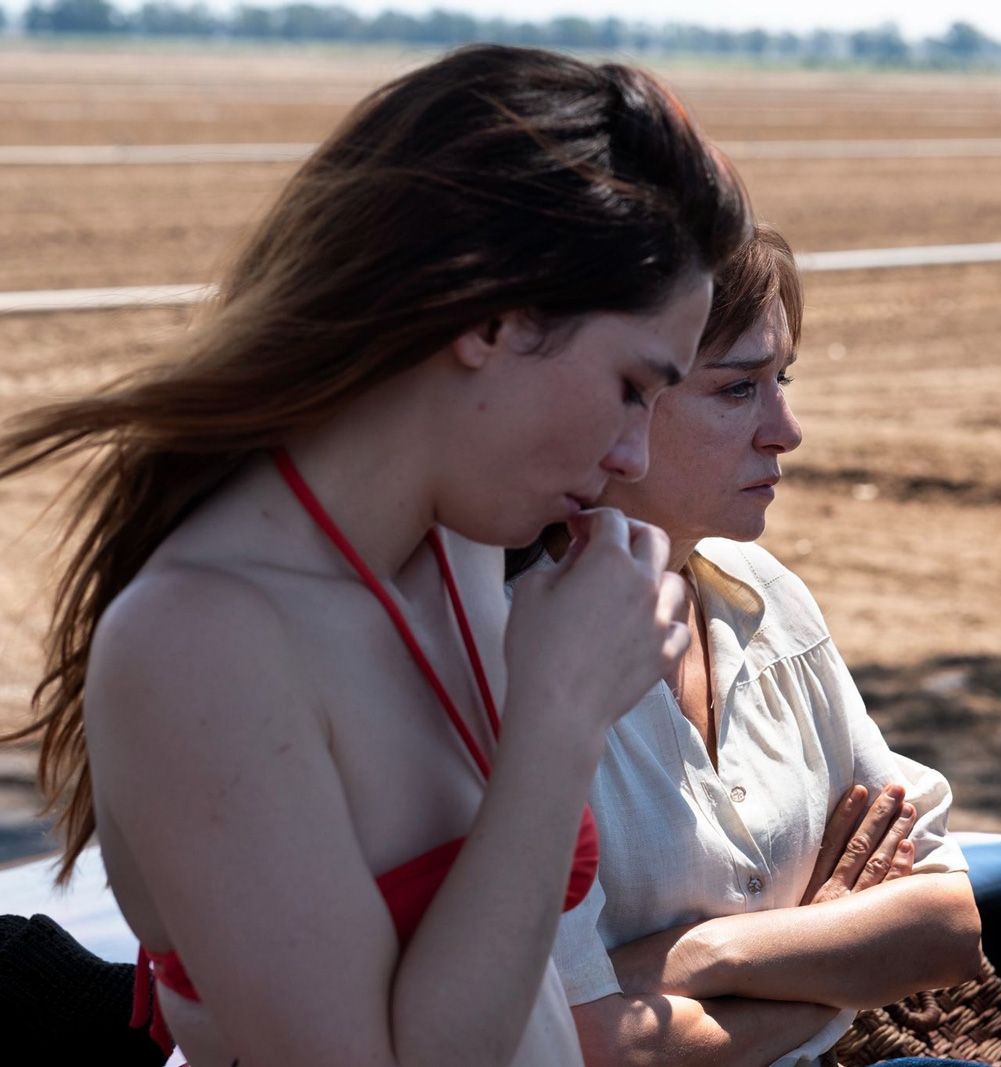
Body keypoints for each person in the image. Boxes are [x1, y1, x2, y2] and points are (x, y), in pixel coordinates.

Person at [0, 44, 749, 1067]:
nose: (635, 455)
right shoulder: (201, 637)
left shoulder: (460, 547)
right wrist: (559, 718)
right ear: (493, 317)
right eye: (631, 386)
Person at [516, 225, 983, 1065]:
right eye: (737, 388)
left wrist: (707, 954)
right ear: (611, 400)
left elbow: (945, 924)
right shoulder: (508, 654)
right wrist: (828, 952)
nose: (785, 429)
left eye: (782, 380)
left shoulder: (765, 594)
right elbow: (591, 1047)